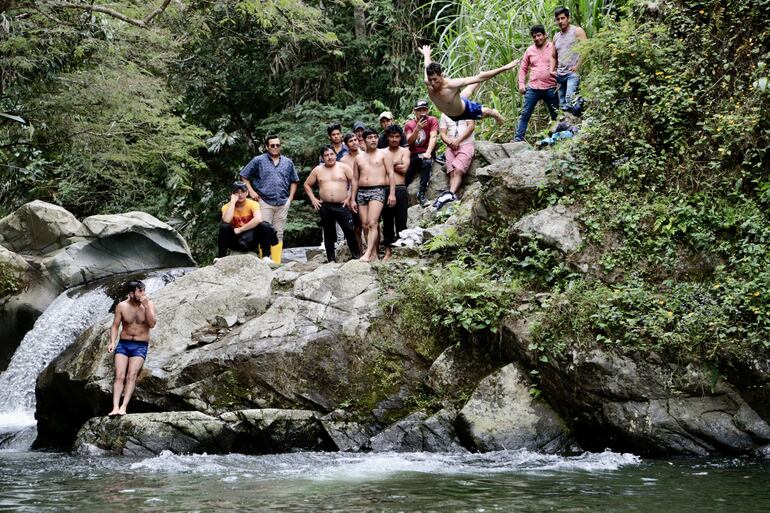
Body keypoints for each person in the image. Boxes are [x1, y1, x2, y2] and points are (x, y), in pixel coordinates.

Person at [420, 45, 518, 125]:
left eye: (435, 79)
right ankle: (470, 89)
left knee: (486, 112)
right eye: (430, 80)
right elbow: (427, 64)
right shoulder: (427, 82)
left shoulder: (451, 85)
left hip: (464, 111)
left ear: (441, 76)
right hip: (452, 110)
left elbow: (479, 78)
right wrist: (426, 54)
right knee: (460, 96)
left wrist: (504, 68)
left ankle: (495, 114)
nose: (432, 83)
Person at [239, 134, 300, 263]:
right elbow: (244, 175)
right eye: (272, 145)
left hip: (282, 202)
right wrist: (251, 192)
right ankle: (264, 262)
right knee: (264, 231)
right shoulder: (258, 160)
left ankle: (276, 263)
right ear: (267, 147)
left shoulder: (288, 162)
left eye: (277, 145)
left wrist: (290, 198)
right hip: (264, 201)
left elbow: (295, 180)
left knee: (279, 233)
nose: (275, 147)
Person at [107, 280, 156, 416]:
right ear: (131, 293)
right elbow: (115, 326)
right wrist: (112, 342)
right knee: (119, 375)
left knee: (131, 375)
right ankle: (115, 407)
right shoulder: (121, 306)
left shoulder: (149, 304)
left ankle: (123, 407)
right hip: (123, 344)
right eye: (140, 291)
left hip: (140, 345)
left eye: (144, 290)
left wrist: (146, 306)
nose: (143, 293)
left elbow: (152, 324)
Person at [304, 146, 361, 262]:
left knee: (349, 231)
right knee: (328, 233)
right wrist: (313, 199)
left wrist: (349, 197)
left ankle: (356, 257)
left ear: (335, 155)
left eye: (331, 154)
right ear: (322, 157)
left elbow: (354, 181)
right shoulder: (318, 170)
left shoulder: (343, 167)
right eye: (326, 155)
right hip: (325, 205)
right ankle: (331, 259)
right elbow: (307, 185)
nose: (329, 157)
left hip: (342, 204)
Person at [351, 128, 396, 262]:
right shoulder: (358, 158)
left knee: (373, 222)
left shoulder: (384, 154)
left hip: (377, 190)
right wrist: (352, 199)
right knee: (365, 225)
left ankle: (367, 252)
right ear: (364, 140)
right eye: (370, 137)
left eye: (375, 137)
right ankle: (374, 254)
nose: (373, 140)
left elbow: (391, 174)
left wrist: (392, 193)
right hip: (361, 192)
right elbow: (355, 179)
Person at [514, 25, 559, 142]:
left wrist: (561, 80)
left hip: (551, 87)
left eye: (539, 35)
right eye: (534, 37)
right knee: (525, 114)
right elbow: (523, 68)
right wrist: (521, 84)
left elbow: (561, 62)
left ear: (545, 35)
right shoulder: (530, 50)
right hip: (533, 88)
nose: (537, 38)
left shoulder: (553, 47)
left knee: (556, 115)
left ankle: (554, 139)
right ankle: (518, 139)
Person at [218, 181, 277, 261]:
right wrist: (232, 202)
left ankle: (266, 256)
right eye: (237, 192)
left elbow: (258, 219)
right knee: (224, 226)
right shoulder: (226, 207)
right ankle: (221, 258)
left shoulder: (253, 204)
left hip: (251, 239)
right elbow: (226, 220)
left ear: (247, 193)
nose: (240, 195)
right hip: (235, 241)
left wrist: (240, 229)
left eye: (243, 192)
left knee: (264, 225)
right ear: (232, 194)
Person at [381, 124, 410, 260]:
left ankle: (401, 249)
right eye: (392, 136)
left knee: (401, 220)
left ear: (400, 137)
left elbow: (404, 169)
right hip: (385, 188)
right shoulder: (382, 152)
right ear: (387, 137)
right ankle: (388, 251)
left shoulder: (405, 151)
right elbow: (380, 169)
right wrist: (396, 163)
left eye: (397, 136)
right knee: (387, 221)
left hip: (400, 188)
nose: (394, 139)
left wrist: (389, 164)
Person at [404, 99, 439, 206]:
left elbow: (433, 136)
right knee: (406, 176)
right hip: (413, 155)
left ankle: (421, 193)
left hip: (426, 153)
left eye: (424, 110)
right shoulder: (409, 124)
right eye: (419, 110)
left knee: (427, 163)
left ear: (427, 111)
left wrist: (428, 152)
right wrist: (417, 129)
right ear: (414, 111)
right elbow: (409, 142)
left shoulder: (432, 120)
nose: (422, 113)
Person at [436, 114, 475, 208]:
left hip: (466, 144)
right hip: (450, 146)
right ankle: (452, 197)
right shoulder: (444, 114)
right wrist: (450, 142)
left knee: (458, 170)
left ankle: (450, 194)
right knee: (452, 173)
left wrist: (458, 140)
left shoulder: (466, 109)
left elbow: (471, 126)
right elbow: (442, 133)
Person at [552, 6, 587, 109]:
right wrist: (552, 70)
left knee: (570, 100)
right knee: (562, 105)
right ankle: (573, 118)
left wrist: (578, 66)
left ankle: (583, 105)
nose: (560, 21)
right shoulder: (556, 36)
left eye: (562, 18)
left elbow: (586, 49)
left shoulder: (577, 31)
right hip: (560, 74)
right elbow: (553, 56)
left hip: (572, 73)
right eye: (558, 19)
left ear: (568, 18)